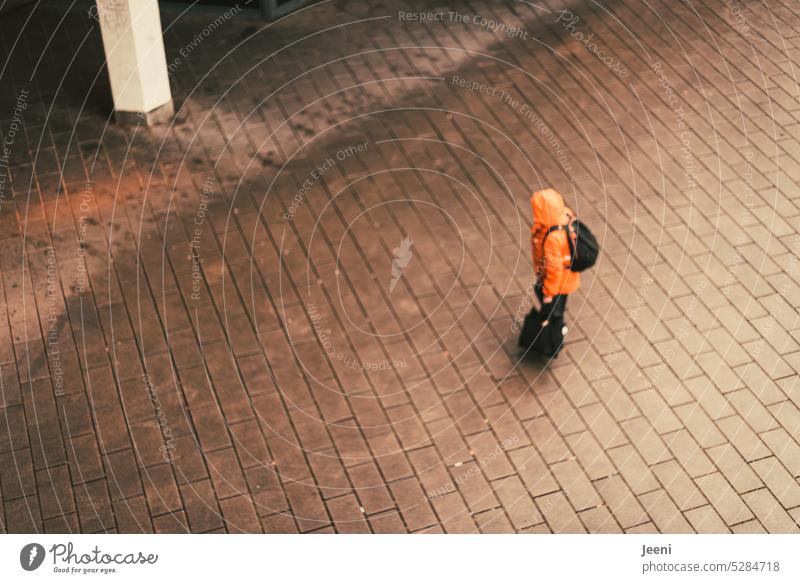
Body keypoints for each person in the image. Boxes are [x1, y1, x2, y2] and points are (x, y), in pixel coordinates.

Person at [530, 188, 580, 324]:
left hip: (558, 283)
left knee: (554, 311)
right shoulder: (565, 215)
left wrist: (548, 293)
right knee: (556, 307)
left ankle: (555, 338)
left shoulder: (553, 238)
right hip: (566, 276)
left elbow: (554, 270)